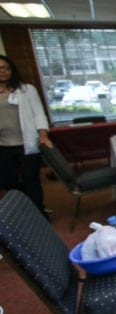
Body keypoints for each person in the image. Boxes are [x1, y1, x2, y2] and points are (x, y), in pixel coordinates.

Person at [0, 54, 52, 219]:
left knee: (31, 180)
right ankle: (22, 213)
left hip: (26, 144)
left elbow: (39, 114)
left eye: (6, 68)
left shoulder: (26, 90)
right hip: (3, 146)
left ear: (12, 70)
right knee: (9, 182)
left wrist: (43, 134)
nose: (3, 71)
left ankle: (39, 213)